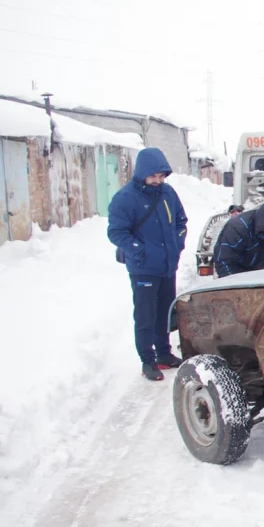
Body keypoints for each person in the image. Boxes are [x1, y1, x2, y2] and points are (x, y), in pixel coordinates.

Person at [107, 147, 188, 381]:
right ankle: (147, 361)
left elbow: (181, 221)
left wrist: (178, 243)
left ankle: (164, 354)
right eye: (153, 176)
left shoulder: (168, 193)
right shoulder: (125, 198)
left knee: (164, 313)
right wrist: (139, 251)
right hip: (143, 268)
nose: (157, 181)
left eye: (161, 176)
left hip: (166, 266)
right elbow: (116, 232)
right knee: (145, 316)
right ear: (142, 172)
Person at [213, 200, 264, 278]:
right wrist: (237, 287)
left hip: (257, 272)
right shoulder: (237, 229)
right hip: (234, 272)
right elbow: (224, 263)